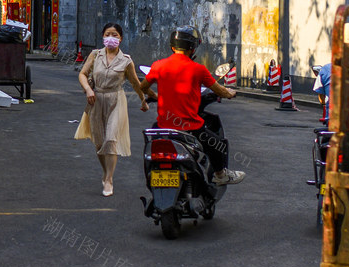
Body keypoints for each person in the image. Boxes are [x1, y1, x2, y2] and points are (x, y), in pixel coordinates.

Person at [139, 25, 245, 186]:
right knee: (218, 145)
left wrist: (154, 96)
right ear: (193, 48)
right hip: (189, 128)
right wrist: (230, 93)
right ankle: (220, 174)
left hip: (164, 125)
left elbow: (143, 87)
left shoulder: (158, 66)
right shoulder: (198, 70)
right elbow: (220, 91)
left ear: (172, 46)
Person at [78, 23, 150, 197]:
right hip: (96, 100)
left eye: (115, 35)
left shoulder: (126, 60)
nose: (111, 37)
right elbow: (82, 74)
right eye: (108, 34)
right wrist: (88, 89)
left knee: (111, 139)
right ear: (103, 37)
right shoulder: (95, 55)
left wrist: (143, 100)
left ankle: (109, 179)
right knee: (99, 142)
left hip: (116, 100)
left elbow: (135, 82)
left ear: (121, 38)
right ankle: (105, 171)